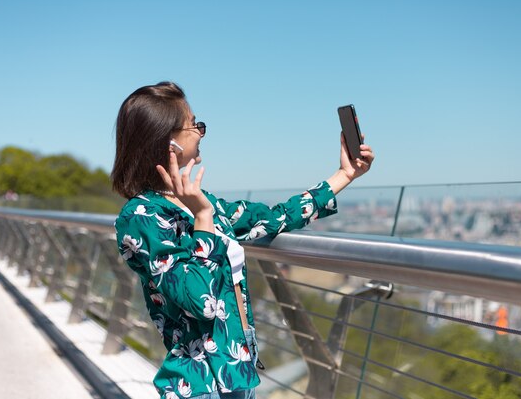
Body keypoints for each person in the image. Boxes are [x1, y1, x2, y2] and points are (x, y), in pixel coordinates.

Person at [111, 82, 374, 399]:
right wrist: (203, 219)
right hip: (198, 380)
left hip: (237, 363)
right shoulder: (142, 217)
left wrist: (345, 175)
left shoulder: (204, 202)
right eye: (195, 125)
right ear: (169, 142)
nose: (200, 131)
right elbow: (200, 302)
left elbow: (274, 217)